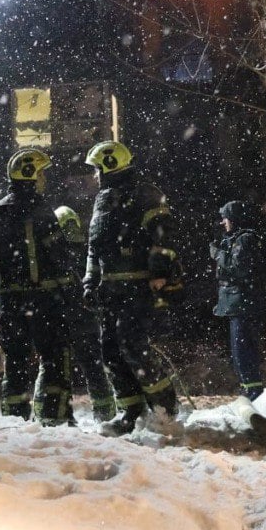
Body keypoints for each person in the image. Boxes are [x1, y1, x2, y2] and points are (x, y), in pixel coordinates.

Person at [82, 140, 180, 436]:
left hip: (138, 287)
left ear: (108, 167)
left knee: (133, 345)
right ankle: (130, 413)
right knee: (111, 351)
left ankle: (164, 408)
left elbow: (163, 234)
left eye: (97, 169)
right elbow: (95, 248)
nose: (95, 176)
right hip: (111, 290)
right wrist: (90, 282)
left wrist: (160, 271)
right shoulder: (103, 201)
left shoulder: (145, 194)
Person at [0, 148, 75, 424]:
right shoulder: (41, 210)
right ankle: (53, 418)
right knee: (54, 358)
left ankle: (14, 420)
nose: (44, 179)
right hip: (43, 300)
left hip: (9, 303)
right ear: (30, 175)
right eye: (41, 173)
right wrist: (71, 294)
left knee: (16, 363)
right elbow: (59, 257)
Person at [32, 205, 116, 423]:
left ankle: (45, 413)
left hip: (60, 320)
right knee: (95, 369)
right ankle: (106, 415)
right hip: (85, 321)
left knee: (52, 368)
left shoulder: (50, 253)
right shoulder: (87, 252)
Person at [213, 200, 266, 409]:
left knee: (243, 353)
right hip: (238, 305)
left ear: (234, 219)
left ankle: (255, 395)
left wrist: (218, 254)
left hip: (243, 304)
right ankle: (251, 392)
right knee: (239, 354)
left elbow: (239, 269)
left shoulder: (245, 239)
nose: (223, 223)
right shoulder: (236, 239)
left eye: (225, 218)